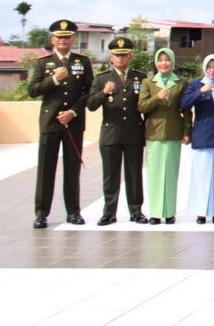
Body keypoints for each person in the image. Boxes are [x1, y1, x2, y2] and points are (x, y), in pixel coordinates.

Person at [29, 19, 93, 228]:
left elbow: (88, 92)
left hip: (73, 123)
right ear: (52, 39)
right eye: (59, 37)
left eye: (67, 37)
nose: (63, 40)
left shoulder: (82, 61)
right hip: (50, 123)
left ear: (73, 39)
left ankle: (73, 212)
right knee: (46, 170)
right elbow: (33, 90)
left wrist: (73, 112)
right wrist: (54, 79)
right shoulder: (43, 62)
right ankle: (41, 214)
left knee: (72, 169)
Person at [87, 36, 148, 225]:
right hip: (111, 133)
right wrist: (104, 92)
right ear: (111, 57)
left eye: (124, 54)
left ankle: (136, 211)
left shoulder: (140, 77)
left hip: (133, 133)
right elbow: (91, 105)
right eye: (116, 55)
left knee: (134, 174)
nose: (120, 58)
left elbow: (146, 105)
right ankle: (109, 212)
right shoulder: (102, 78)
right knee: (110, 176)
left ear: (130, 56)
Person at [138, 47, 191, 224]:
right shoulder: (148, 82)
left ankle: (169, 212)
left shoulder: (181, 82)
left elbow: (186, 109)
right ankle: (155, 213)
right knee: (154, 174)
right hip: (154, 133)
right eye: (160, 60)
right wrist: (157, 98)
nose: (164, 63)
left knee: (170, 173)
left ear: (172, 62)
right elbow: (141, 107)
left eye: (167, 59)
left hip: (173, 132)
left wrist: (187, 131)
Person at [181, 52, 214, 224]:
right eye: (209, 67)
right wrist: (200, 92)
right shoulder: (197, 84)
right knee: (202, 177)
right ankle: (201, 211)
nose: (212, 70)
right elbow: (184, 103)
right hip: (203, 136)